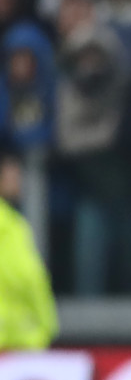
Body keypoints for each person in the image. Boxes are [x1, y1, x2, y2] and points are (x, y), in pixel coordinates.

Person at [0, 145, 57, 349]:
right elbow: (28, 277)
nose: (19, 179)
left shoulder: (14, 223)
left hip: (18, 343)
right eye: (13, 172)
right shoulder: (10, 225)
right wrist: (45, 327)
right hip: (14, 341)